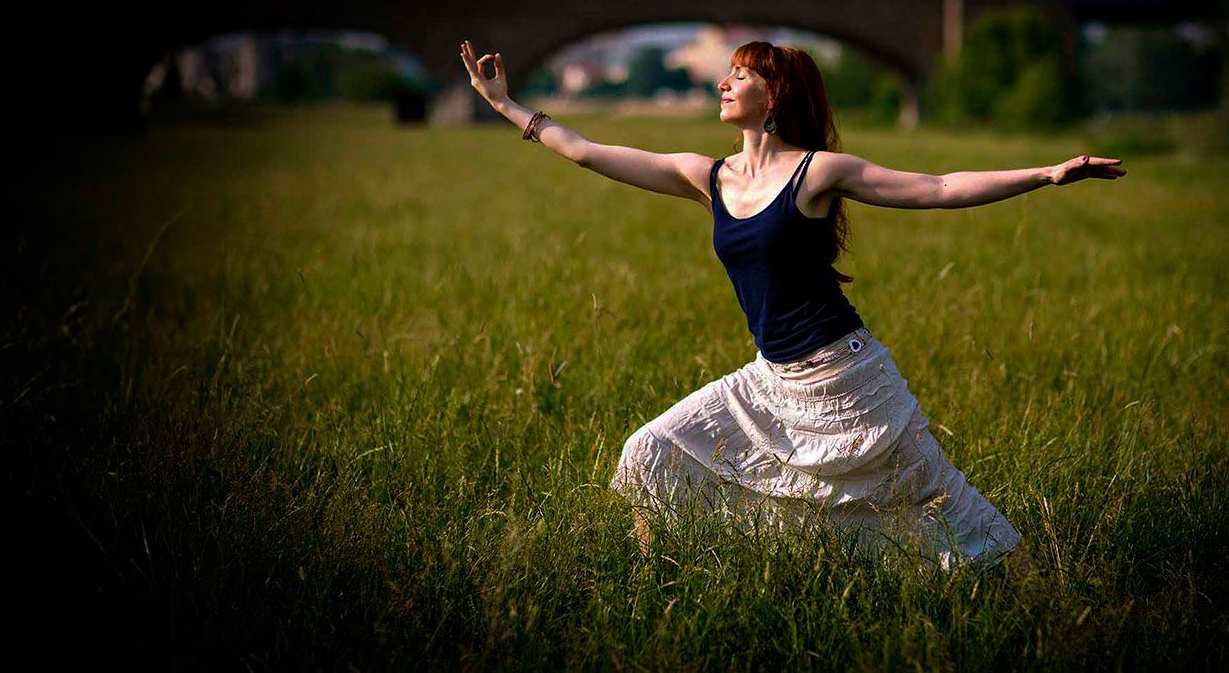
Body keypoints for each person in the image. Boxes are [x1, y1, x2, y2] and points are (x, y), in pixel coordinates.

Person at [459, 39, 1125, 574]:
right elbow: (587, 152)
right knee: (651, 451)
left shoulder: (818, 172)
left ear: (774, 94)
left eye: (741, 74)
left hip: (847, 380)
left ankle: (1045, 588)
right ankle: (653, 579)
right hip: (770, 383)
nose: (725, 83)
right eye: (727, 74)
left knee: (941, 506)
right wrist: (508, 104)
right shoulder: (709, 176)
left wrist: (1045, 174)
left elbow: (937, 186)